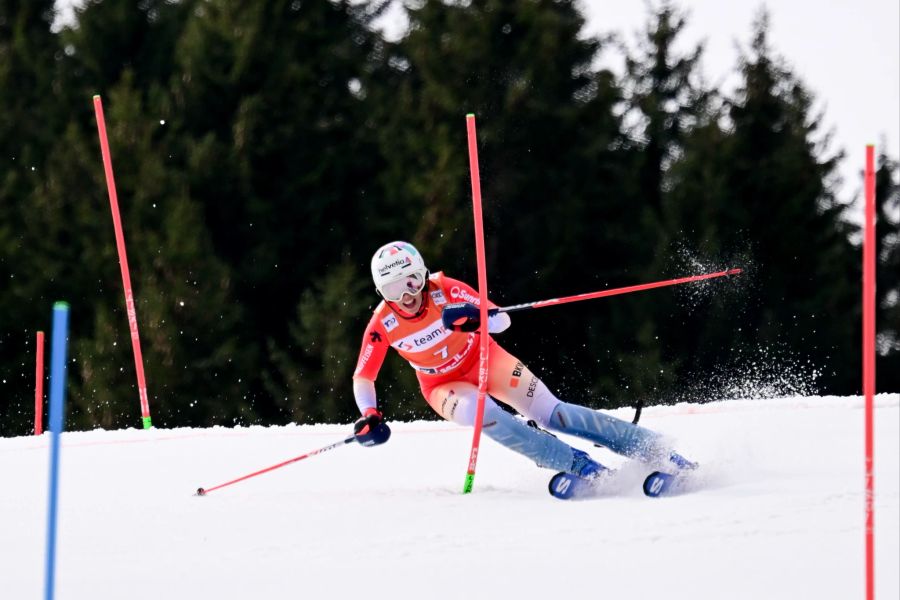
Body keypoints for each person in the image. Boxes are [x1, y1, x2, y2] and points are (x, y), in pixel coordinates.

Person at [351, 241, 695, 483]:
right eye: (395, 289)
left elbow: (502, 321)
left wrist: (477, 318)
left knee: (553, 413)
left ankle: (651, 447)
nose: (408, 296)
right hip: (442, 385)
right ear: (382, 293)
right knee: (483, 414)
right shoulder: (383, 324)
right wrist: (370, 413)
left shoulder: (447, 291)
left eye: (411, 281)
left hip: (486, 358)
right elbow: (363, 377)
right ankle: (575, 463)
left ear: (423, 274)